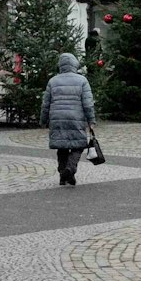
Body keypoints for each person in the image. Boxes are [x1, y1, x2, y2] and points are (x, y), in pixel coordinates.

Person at [41, 52, 95, 186]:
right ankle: (70, 169)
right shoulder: (82, 80)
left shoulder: (53, 81)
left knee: (62, 147)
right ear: (75, 64)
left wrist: (43, 120)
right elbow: (88, 103)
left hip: (57, 118)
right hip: (75, 117)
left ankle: (62, 174)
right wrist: (91, 121)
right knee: (79, 145)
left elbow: (45, 103)